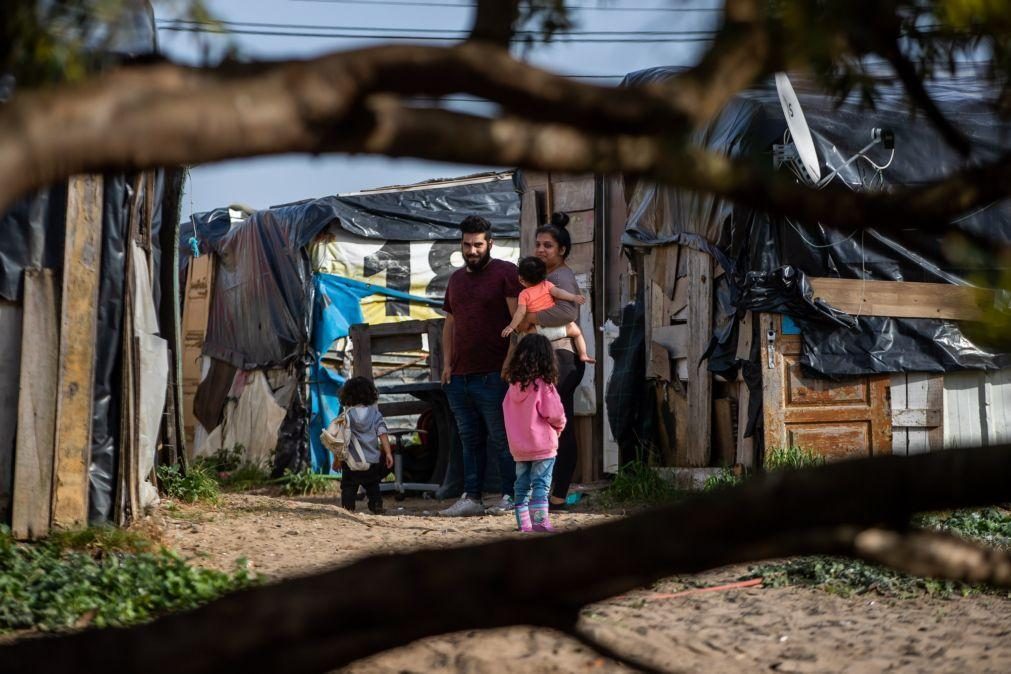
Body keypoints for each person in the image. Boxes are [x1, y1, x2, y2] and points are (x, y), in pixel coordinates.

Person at [439, 215, 523, 517]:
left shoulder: (506, 273)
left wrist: (508, 363)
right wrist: (447, 364)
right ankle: (471, 497)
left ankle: (512, 496)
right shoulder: (456, 280)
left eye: (477, 245)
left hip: (494, 374)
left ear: (490, 243)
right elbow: (449, 323)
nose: (471, 251)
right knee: (469, 439)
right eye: (466, 245)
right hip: (460, 376)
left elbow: (519, 322)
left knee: (501, 438)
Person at [524, 212, 586, 512]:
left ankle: (557, 495)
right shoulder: (545, 277)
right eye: (538, 244)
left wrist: (532, 317)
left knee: (558, 428)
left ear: (561, 250)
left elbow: (568, 313)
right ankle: (554, 495)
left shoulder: (562, 277)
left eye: (548, 245)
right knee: (554, 427)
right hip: (553, 358)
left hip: (564, 358)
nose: (541, 250)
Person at [502, 334, 566, 532]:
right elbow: (555, 414)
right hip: (542, 446)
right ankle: (539, 523)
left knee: (521, 485)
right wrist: (559, 428)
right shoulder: (544, 386)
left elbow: (506, 412)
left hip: (520, 447)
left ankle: (524, 524)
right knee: (541, 484)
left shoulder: (513, 387)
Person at [501, 256, 595, 364]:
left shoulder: (524, 294)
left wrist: (511, 326)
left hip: (539, 331)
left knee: (524, 338)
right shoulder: (547, 285)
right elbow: (560, 293)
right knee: (578, 332)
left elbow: (520, 312)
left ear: (521, 280)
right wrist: (573, 297)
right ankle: (583, 355)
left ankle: (522, 363)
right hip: (559, 328)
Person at [337, 376, 393, 514]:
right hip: (371, 460)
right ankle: (376, 505)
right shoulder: (375, 414)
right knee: (373, 485)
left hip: (351, 461)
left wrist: (337, 459)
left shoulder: (346, 415)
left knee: (348, 487)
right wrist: (388, 453)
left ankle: (347, 508)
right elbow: (382, 433)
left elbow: (340, 440)